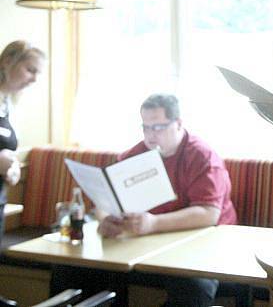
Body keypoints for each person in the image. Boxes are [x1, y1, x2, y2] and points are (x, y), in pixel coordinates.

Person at [51, 94, 237, 307]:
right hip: (148, 243)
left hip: (202, 244)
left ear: (178, 124)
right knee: (70, 268)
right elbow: (105, 200)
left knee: (193, 286)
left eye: (158, 127)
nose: (150, 135)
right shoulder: (137, 154)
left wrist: (153, 223)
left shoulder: (202, 156)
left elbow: (208, 214)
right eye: (145, 127)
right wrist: (107, 219)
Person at [0, 40, 45, 307]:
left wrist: (14, 168)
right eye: (30, 70)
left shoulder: (8, 104)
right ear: (7, 63)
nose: (34, 79)